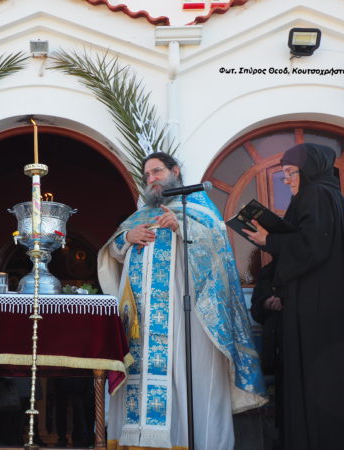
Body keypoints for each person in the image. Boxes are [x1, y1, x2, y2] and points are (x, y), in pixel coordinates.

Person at [98, 152, 266, 449]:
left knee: (187, 381)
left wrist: (179, 227)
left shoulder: (198, 210)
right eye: (147, 175)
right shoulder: (140, 216)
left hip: (187, 322)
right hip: (141, 325)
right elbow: (112, 252)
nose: (151, 179)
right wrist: (126, 238)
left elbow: (216, 252)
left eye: (157, 172)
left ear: (175, 171)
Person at [244, 143, 344, 450]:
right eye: (283, 173)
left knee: (319, 384)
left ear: (309, 170)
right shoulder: (326, 195)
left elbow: (313, 246)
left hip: (319, 311)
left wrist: (270, 239)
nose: (286, 180)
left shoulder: (317, 194)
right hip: (325, 307)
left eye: (290, 172)